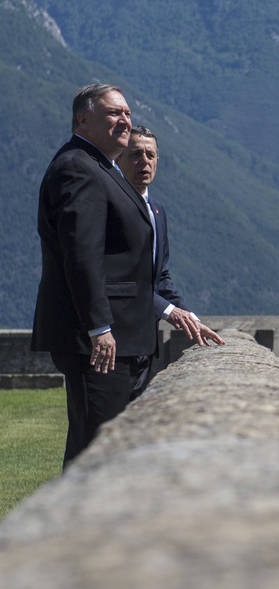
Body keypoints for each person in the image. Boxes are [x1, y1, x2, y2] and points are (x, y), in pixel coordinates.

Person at [31, 84, 156, 466]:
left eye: (128, 113)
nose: (125, 120)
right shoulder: (78, 168)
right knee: (95, 452)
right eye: (114, 113)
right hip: (101, 344)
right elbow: (81, 254)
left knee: (101, 447)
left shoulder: (101, 167)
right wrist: (99, 327)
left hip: (122, 339)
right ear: (83, 119)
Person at [117, 125, 224, 363]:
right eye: (135, 154)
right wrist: (168, 311)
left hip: (144, 342)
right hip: (113, 340)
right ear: (118, 159)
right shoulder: (109, 207)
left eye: (150, 155)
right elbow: (116, 277)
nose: (144, 161)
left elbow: (160, 277)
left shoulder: (157, 211)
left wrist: (191, 319)